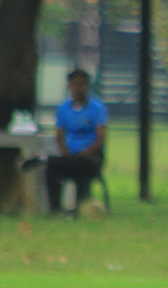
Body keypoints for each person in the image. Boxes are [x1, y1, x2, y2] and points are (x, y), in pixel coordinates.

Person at [23, 69, 108, 213]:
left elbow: (101, 138)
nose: (78, 88)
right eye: (74, 84)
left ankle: (80, 206)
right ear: (69, 86)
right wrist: (66, 152)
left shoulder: (97, 108)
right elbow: (59, 136)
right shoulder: (63, 109)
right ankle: (55, 209)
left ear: (87, 86)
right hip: (69, 156)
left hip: (90, 157)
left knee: (78, 165)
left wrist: (85, 152)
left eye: (81, 84)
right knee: (52, 168)